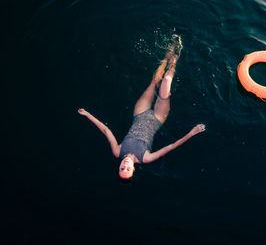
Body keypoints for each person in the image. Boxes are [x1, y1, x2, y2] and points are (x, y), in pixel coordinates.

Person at [78, 35, 205, 180]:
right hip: (157, 118)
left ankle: (169, 53)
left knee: (155, 81)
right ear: (133, 169)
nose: (125, 164)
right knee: (165, 87)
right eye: (127, 169)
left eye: (122, 168)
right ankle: (176, 57)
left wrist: (88, 115)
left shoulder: (117, 151)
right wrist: (191, 133)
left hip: (140, 113)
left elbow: (106, 131)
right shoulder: (146, 158)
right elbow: (170, 146)